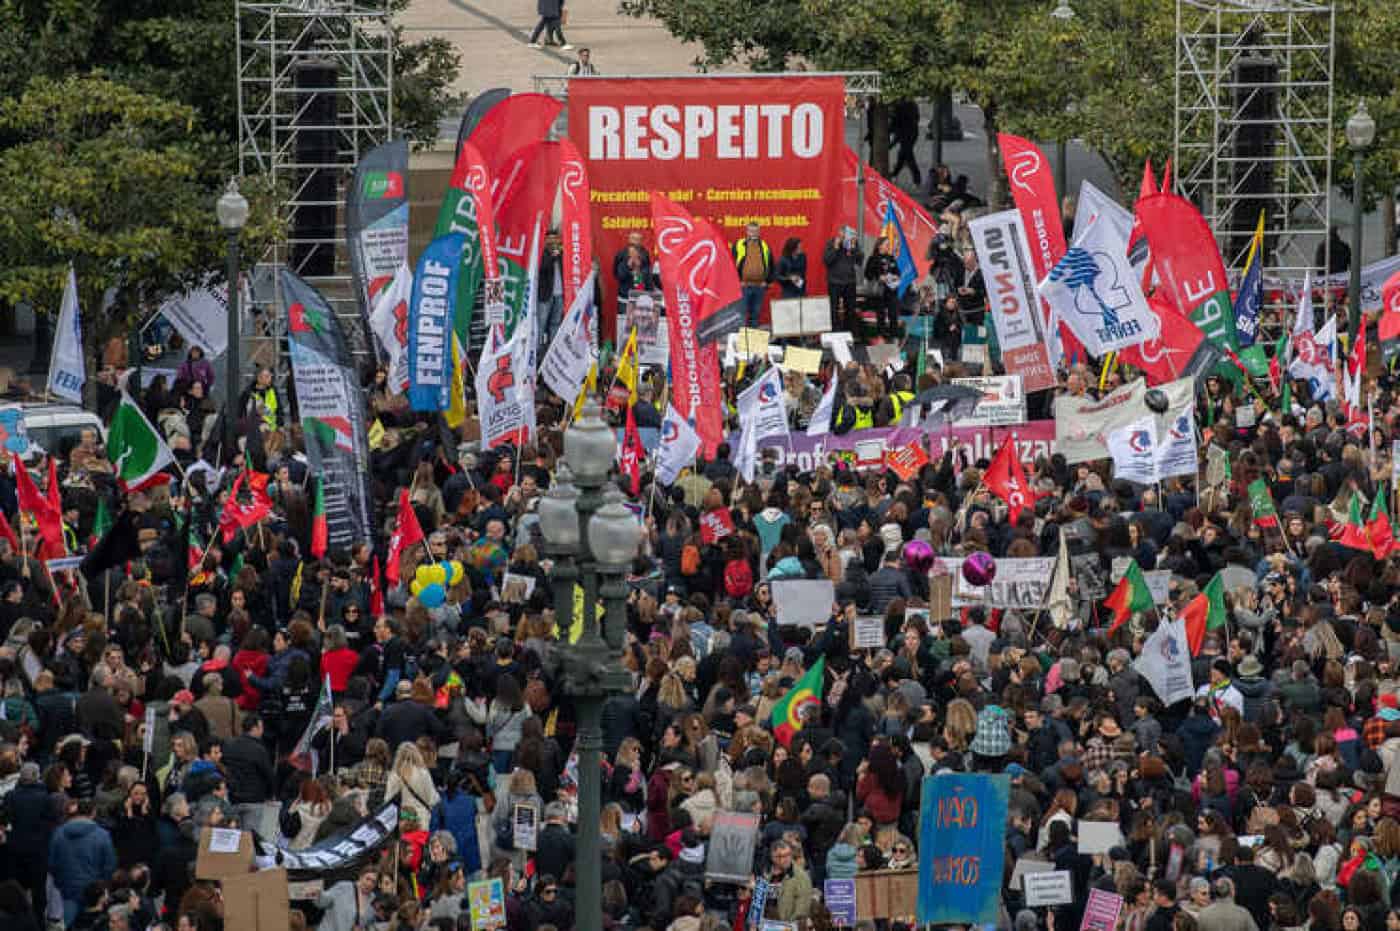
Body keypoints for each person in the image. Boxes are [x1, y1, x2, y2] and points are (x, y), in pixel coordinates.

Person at [733, 222, 774, 328]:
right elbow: (731, 264)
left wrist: (767, 282)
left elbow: (771, 263)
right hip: (744, 286)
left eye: (756, 231)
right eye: (751, 231)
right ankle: (742, 338)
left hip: (759, 287)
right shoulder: (739, 244)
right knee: (741, 314)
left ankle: (753, 338)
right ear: (747, 232)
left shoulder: (764, 246)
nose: (753, 233)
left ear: (759, 232)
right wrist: (737, 282)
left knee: (755, 315)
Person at [824, 228, 863, 335]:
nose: (846, 237)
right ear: (839, 233)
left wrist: (854, 248)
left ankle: (849, 332)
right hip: (834, 282)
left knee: (850, 309)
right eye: (844, 234)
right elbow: (827, 261)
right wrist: (835, 248)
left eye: (848, 235)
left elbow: (859, 261)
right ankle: (835, 332)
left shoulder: (853, 243)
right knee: (834, 308)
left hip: (850, 281)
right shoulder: (831, 243)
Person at [863, 237, 901, 337]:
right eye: (886, 244)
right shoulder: (873, 258)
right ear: (880, 246)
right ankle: (881, 335)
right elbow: (867, 274)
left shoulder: (891, 258)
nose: (888, 246)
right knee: (881, 314)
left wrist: (895, 276)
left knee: (893, 313)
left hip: (892, 290)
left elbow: (897, 272)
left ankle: (894, 335)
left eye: (889, 244)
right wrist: (879, 277)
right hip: (880, 291)